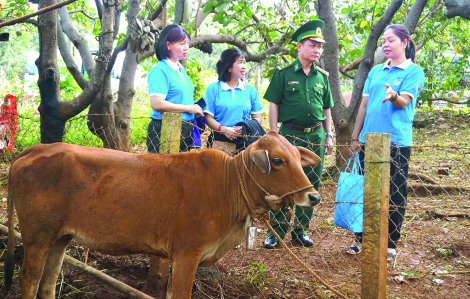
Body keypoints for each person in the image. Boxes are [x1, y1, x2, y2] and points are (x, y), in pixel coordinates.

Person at [348, 24, 425, 260]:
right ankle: (360, 237)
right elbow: (363, 105)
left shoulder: (414, 71)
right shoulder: (376, 72)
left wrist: (393, 96)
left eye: (391, 40)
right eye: (383, 40)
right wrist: (355, 136)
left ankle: (391, 243)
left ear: (405, 42)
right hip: (368, 140)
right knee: (365, 191)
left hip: (396, 143)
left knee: (395, 192)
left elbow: (403, 102)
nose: (385, 44)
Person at [263, 19, 334, 249]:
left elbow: (326, 108)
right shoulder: (283, 74)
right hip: (289, 137)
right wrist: (274, 134)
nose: (317, 50)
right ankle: (276, 231)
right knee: (283, 182)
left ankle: (301, 231)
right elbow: (273, 104)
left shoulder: (322, 76)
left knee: (311, 184)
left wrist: (329, 134)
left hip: (315, 137)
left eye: (319, 46)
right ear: (299, 47)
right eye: (312, 45)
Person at [147, 24, 203, 153]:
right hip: (165, 127)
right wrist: (189, 108)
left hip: (184, 128)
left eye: (187, 43)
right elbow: (156, 103)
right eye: (182, 43)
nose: (186, 48)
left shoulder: (180, 68)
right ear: (168, 45)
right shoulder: (160, 70)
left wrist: (194, 107)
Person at [204, 48, 263, 155]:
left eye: (245, 63)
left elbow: (257, 117)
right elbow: (208, 117)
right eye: (240, 63)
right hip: (219, 142)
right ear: (229, 67)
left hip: (245, 141)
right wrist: (223, 129)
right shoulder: (213, 89)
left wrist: (246, 127)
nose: (244, 66)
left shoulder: (250, 90)